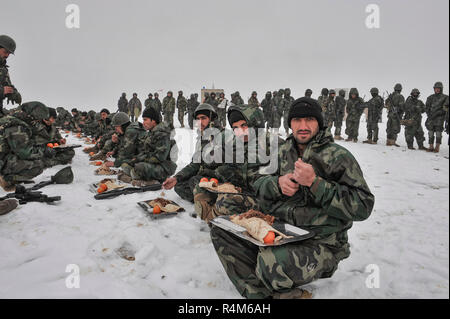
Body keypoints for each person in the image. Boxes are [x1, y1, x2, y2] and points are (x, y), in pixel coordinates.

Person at [210, 97, 374, 299]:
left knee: (270, 264)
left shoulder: (338, 157)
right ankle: (261, 296)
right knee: (221, 231)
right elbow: (259, 182)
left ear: (319, 123)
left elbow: (364, 206)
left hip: (321, 242)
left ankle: (268, 278)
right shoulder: (282, 152)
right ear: (290, 124)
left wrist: (316, 183)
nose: (303, 126)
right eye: (297, 120)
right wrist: (277, 184)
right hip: (282, 231)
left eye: (309, 120)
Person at [193, 104, 274, 223]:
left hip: (264, 200)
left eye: (244, 125)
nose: (240, 131)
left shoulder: (271, 144)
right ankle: (213, 220)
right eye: (235, 127)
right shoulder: (237, 143)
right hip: (242, 191)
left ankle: (218, 222)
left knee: (226, 201)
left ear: (255, 124)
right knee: (201, 187)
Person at [162, 104, 223, 203]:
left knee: (194, 181)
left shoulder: (222, 136)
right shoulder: (202, 138)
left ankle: (214, 201)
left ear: (212, 119)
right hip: (204, 179)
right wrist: (177, 178)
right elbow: (195, 164)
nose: (200, 122)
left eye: (203, 118)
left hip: (219, 181)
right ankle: (204, 199)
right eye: (198, 119)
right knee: (179, 186)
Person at [118, 107, 177, 186]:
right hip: (154, 165)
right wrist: (135, 159)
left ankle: (150, 182)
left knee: (139, 168)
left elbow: (159, 157)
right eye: (143, 120)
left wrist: (140, 159)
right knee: (126, 164)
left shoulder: (162, 134)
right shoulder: (152, 133)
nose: (143, 123)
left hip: (164, 168)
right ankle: (135, 176)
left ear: (153, 120)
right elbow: (146, 151)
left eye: (145, 120)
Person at [0, 102, 48, 191]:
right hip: (2, 160)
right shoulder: (17, 127)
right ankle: (7, 180)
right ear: (32, 115)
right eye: (37, 119)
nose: (37, 121)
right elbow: (25, 153)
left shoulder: (9, 120)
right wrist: (45, 151)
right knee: (39, 165)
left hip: (3, 157)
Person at [425, 82, 449, 153]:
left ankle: (437, 147)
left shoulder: (445, 97)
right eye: (436, 88)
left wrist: (439, 113)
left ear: (441, 89)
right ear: (434, 89)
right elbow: (427, 107)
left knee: (438, 132)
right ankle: (431, 146)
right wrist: (429, 114)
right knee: (430, 132)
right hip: (431, 117)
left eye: (438, 88)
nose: (437, 90)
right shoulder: (430, 97)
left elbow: (446, 108)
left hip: (440, 118)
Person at [0, 35, 21, 117]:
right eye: (5, 52)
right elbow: (3, 90)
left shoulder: (3, 69)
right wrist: (2, 91)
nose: (7, 55)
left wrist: (13, 93)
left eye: (9, 53)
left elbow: (7, 86)